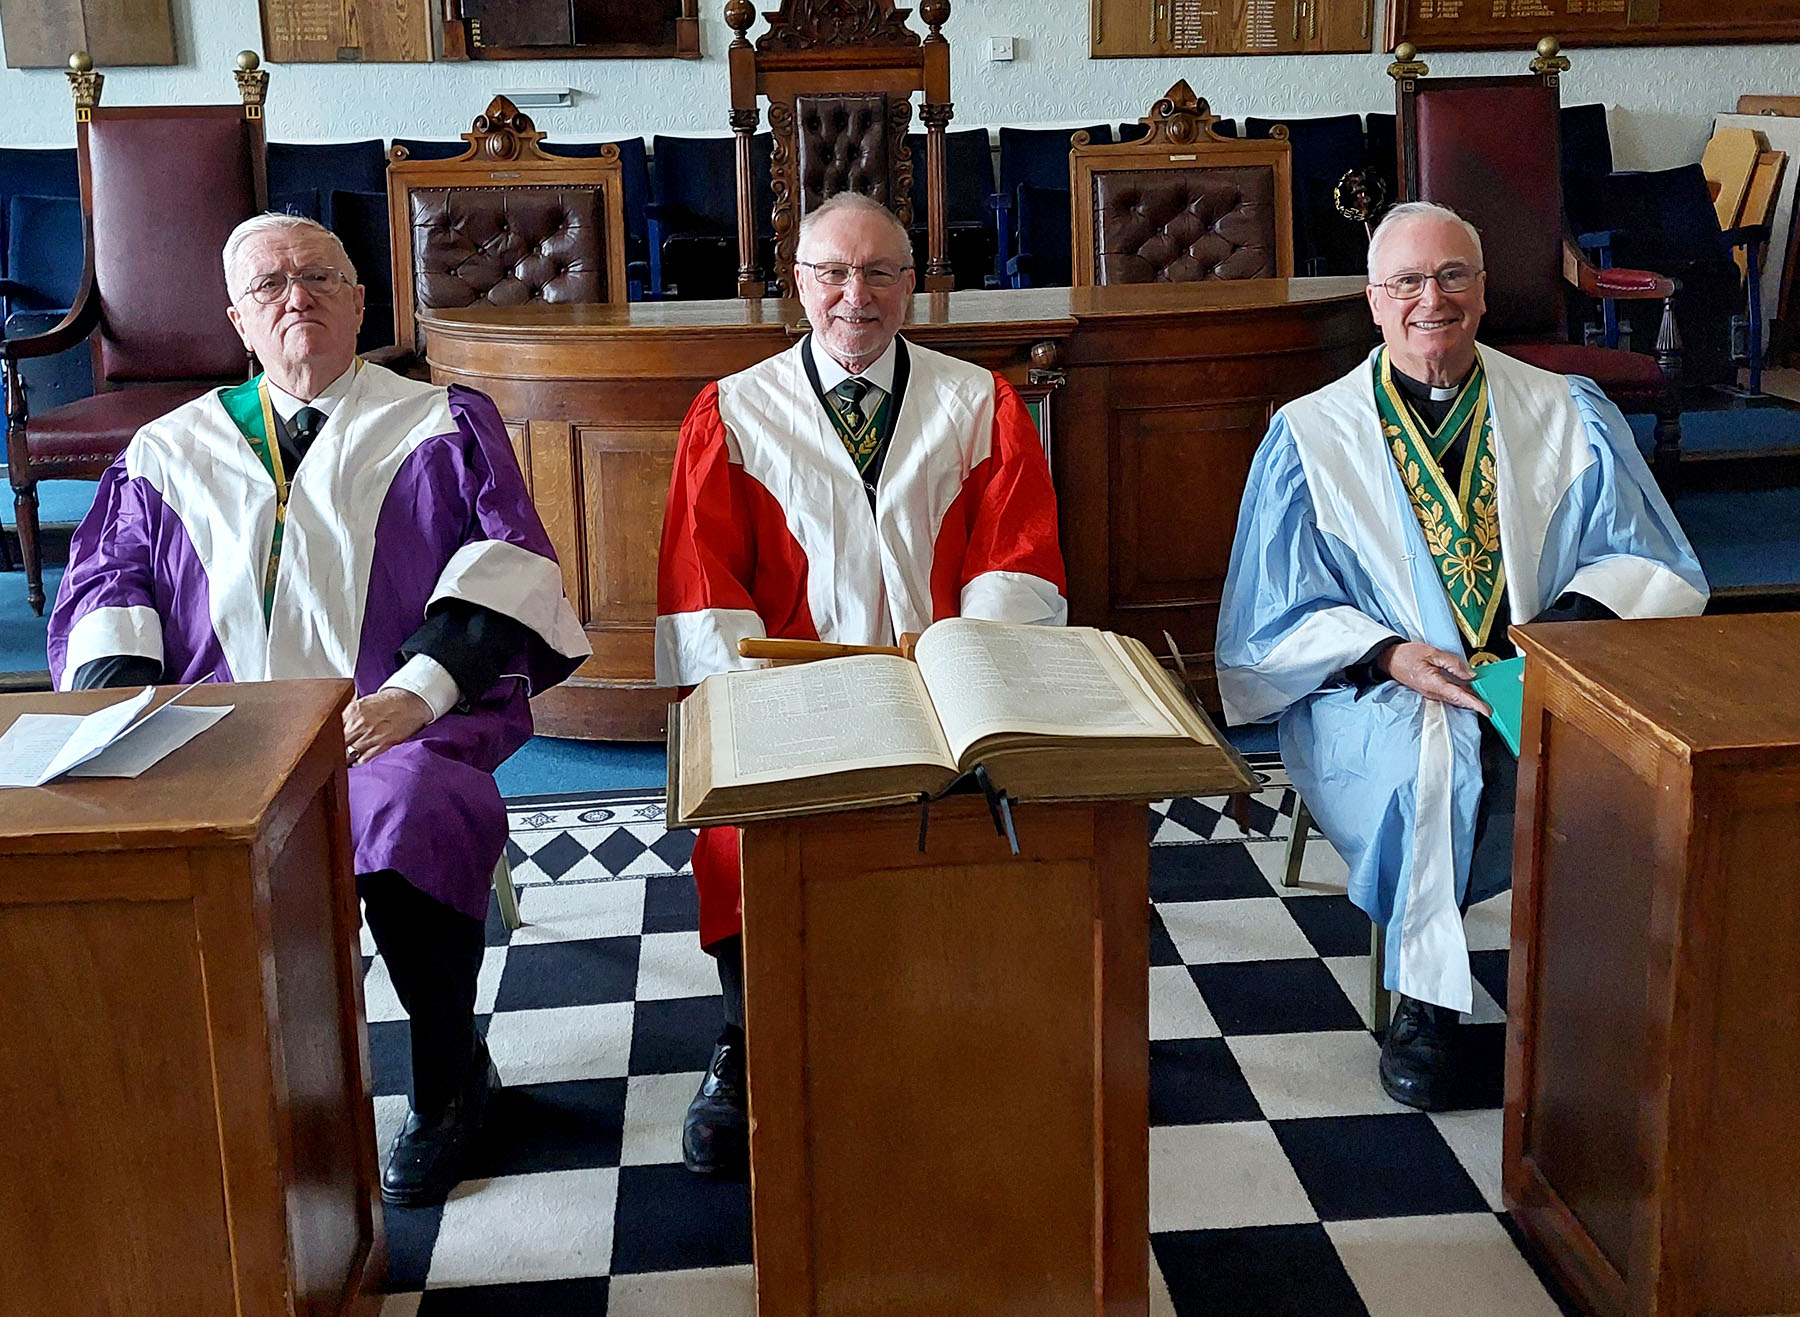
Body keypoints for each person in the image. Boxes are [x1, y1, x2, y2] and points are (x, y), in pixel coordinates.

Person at [47, 213, 590, 1205]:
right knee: (133, 833)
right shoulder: (167, 452)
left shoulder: (438, 424)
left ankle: (447, 1082)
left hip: (381, 724)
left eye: (317, 278)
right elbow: (106, 585)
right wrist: (127, 714)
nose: (294, 297)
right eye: (268, 287)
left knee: (415, 808)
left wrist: (413, 696)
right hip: (214, 732)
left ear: (357, 302)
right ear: (236, 322)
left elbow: (506, 567)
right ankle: (227, 1089)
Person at [1216, 201, 1707, 1110]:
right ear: (1373, 301)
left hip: (1542, 667)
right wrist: (1388, 651)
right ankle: (1427, 1001)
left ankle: (1596, 997)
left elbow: (1649, 558)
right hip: (1373, 691)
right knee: (1421, 771)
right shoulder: (1311, 437)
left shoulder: (1564, 410)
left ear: (1483, 293)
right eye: (1406, 281)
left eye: (1451, 277)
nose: (1429, 299)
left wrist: (1551, 636)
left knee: (1632, 771)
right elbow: (1268, 620)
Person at [655, 191, 1067, 1174]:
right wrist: (760, 707)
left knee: (1002, 807)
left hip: (941, 700)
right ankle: (748, 1036)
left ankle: (952, 1015)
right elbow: (704, 588)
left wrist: (960, 686)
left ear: (912, 284)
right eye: (833, 273)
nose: (857, 295)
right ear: (797, 285)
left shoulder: (979, 404)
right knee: (734, 826)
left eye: (881, 271)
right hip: (785, 694)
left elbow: (1018, 564)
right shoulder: (733, 412)